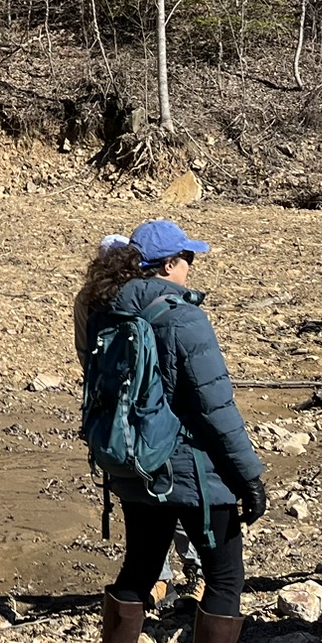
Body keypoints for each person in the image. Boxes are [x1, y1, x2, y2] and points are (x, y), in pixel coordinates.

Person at [73, 219, 265, 643]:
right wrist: (249, 477)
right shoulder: (183, 318)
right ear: (168, 265)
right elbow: (217, 409)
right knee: (225, 576)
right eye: (187, 258)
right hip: (194, 474)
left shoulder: (105, 311)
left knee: (139, 567)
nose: (191, 267)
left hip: (135, 467)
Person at [75, 235, 202, 608]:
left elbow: (89, 360)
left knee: (149, 498)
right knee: (164, 495)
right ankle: (171, 578)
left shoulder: (102, 300)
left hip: (124, 418)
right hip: (142, 415)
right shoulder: (101, 302)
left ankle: (171, 577)